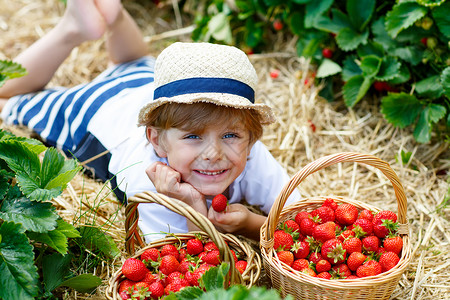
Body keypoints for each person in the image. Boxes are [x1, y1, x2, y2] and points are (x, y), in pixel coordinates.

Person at [0, 0, 300, 242]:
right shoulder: (150, 184)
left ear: (251, 138)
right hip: (98, 111)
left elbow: (301, 217)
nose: (214, 153)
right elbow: (187, 263)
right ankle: (71, 28)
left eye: (231, 136)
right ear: (156, 141)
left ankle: (113, 15)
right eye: (194, 137)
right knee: (7, 97)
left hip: (152, 85)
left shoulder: (250, 153)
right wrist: (193, 206)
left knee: (134, 61)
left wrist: (251, 223)